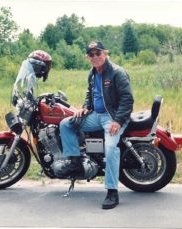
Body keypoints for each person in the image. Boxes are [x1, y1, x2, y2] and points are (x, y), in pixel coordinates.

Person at [57, 41, 134, 209]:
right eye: (91, 54)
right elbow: (90, 94)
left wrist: (118, 121)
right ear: (88, 57)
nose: (95, 57)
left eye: (98, 53)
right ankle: (75, 162)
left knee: (111, 148)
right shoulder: (92, 74)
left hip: (112, 117)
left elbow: (127, 100)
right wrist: (85, 107)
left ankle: (112, 191)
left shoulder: (117, 73)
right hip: (96, 115)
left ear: (105, 53)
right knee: (65, 124)